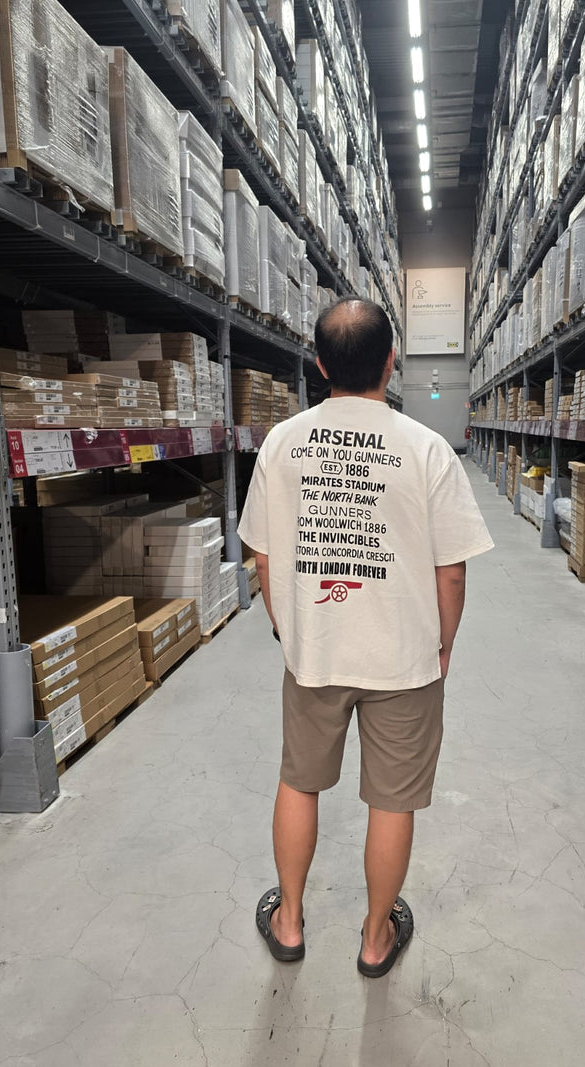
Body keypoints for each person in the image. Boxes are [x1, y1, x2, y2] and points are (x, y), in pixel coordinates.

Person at [238, 296, 493, 978]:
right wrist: (443, 644)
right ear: (391, 361)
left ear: (319, 365)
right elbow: (452, 572)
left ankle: (288, 921)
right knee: (392, 798)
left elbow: (263, 557)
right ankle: (376, 938)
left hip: (315, 650)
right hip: (404, 658)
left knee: (300, 781)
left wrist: (288, 627)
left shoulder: (283, 443)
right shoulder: (428, 449)